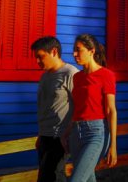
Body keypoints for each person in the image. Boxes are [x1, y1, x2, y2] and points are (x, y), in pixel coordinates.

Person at [69, 34, 118, 182]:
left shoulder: (106, 75)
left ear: (91, 51)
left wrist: (113, 146)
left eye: (78, 50)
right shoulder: (77, 77)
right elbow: (76, 108)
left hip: (96, 133)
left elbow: (111, 110)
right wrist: (66, 133)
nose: (74, 54)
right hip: (76, 134)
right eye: (74, 50)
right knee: (88, 178)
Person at [31, 36, 79, 182]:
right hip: (45, 136)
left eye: (40, 57)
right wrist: (41, 135)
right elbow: (45, 107)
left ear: (54, 51)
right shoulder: (44, 77)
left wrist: (68, 134)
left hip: (60, 137)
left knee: (52, 176)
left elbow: (81, 106)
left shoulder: (71, 73)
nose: (37, 61)